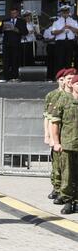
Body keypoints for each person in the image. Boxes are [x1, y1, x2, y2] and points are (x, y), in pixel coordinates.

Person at [48, 73, 78, 214]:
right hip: (68, 145)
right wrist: (56, 142)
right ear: (72, 85)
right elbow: (55, 123)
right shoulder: (64, 100)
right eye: (77, 83)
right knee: (67, 174)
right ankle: (68, 201)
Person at [45, 68, 68, 201]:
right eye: (63, 79)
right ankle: (57, 187)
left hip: (70, 137)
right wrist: (48, 136)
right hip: (58, 135)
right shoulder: (53, 96)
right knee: (57, 164)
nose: (65, 81)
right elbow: (49, 118)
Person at [0, 8, 28, 82]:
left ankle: (14, 77)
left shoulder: (22, 21)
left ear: (17, 13)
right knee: (6, 60)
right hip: (6, 43)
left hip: (16, 44)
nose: (13, 14)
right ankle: (5, 77)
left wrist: (17, 30)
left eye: (14, 13)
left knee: (15, 60)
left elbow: (25, 32)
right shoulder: (5, 21)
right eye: (11, 13)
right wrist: (3, 29)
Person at [51, 5, 78, 70]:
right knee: (59, 60)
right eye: (64, 12)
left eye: (67, 11)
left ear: (69, 12)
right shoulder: (56, 22)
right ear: (61, 12)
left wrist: (70, 27)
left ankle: (67, 77)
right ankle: (59, 77)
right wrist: (62, 30)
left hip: (70, 42)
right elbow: (53, 32)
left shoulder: (73, 21)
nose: (65, 13)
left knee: (69, 60)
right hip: (60, 43)